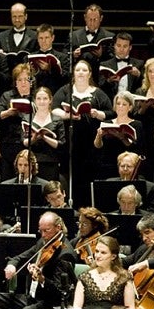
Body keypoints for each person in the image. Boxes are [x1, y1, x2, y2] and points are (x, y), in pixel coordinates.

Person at [0, 211, 76, 309]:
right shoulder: (44, 241)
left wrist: (41, 279)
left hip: (54, 301)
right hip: (35, 295)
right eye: (40, 230)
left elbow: (59, 290)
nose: (43, 234)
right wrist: (12, 265)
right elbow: (23, 256)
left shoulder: (65, 254)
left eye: (46, 230)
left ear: (58, 228)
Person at [51, 59, 113, 208]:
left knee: (89, 177)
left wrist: (97, 114)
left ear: (90, 73)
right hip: (71, 142)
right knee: (71, 176)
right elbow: (54, 108)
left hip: (91, 142)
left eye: (84, 70)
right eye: (78, 70)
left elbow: (110, 112)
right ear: (73, 73)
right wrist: (68, 115)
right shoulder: (66, 90)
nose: (80, 73)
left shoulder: (98, 93)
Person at [94, 91, 143, 181]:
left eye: (124, 104)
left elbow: (135, 147)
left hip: (127, 166)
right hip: (108, 164)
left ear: (130, 107)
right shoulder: (107, 123)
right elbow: (98, 146)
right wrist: (99, 136)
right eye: (118, 104)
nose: (120, 107)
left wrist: (122, 137)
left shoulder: (137, 124)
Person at [20, 86, 66, 183]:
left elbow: (61, 143)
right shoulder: (27, 118)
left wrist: (44, 137)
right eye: (39, 99)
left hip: (50, 162)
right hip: (31, 162)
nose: (42, 101)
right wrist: (35, 138)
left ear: (50, 100)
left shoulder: (57, 119)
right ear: (34, 100)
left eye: (45, 98)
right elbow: (24, 142)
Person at [0, 63, 32, 182]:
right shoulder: (7, 96)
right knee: (7, 178)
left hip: (28, 143)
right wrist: (8, 113)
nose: (23, 83)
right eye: (19, 80)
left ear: (31, 81)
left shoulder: (36, 96)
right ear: (15, 82)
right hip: (9, 142)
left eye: (26, 79)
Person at [67, 4, 115, 79]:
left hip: (100, 79)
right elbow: (64, 55)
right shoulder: (73, 35)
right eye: (90, 19)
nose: (92, 23)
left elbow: (114, 60)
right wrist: (73, 55)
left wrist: (101, 55)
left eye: (95, 19)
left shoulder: (109, 36)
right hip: (79, 78)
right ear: (85, 18)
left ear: (101, 18)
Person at [0, 3, 39, 79]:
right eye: (14, 16)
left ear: (26, 16)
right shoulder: (1, 37)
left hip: (27, 79)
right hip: (6, 80)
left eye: (20, 16)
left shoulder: (35, 36)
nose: (17, 19)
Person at [97, 32, 144, 103]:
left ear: (130, 47)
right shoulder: (105, 64)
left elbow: (145, 86)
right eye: (118, 46)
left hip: (133, 104)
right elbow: (100, 88)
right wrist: (109, 81)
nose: (121, 49)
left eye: (125, 46)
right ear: (114, 46)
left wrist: (139, 75)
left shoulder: (139, 64)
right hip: (112, 103)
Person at [31, 23, 70, 97]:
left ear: (52, 38)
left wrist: (50, 69)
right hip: (35, 94)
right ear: (37, 39)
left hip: (55, 94)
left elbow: (66, 79)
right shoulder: (30, 57)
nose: (44, 41)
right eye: (41, 38)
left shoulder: (62, 57)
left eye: (46, 38)